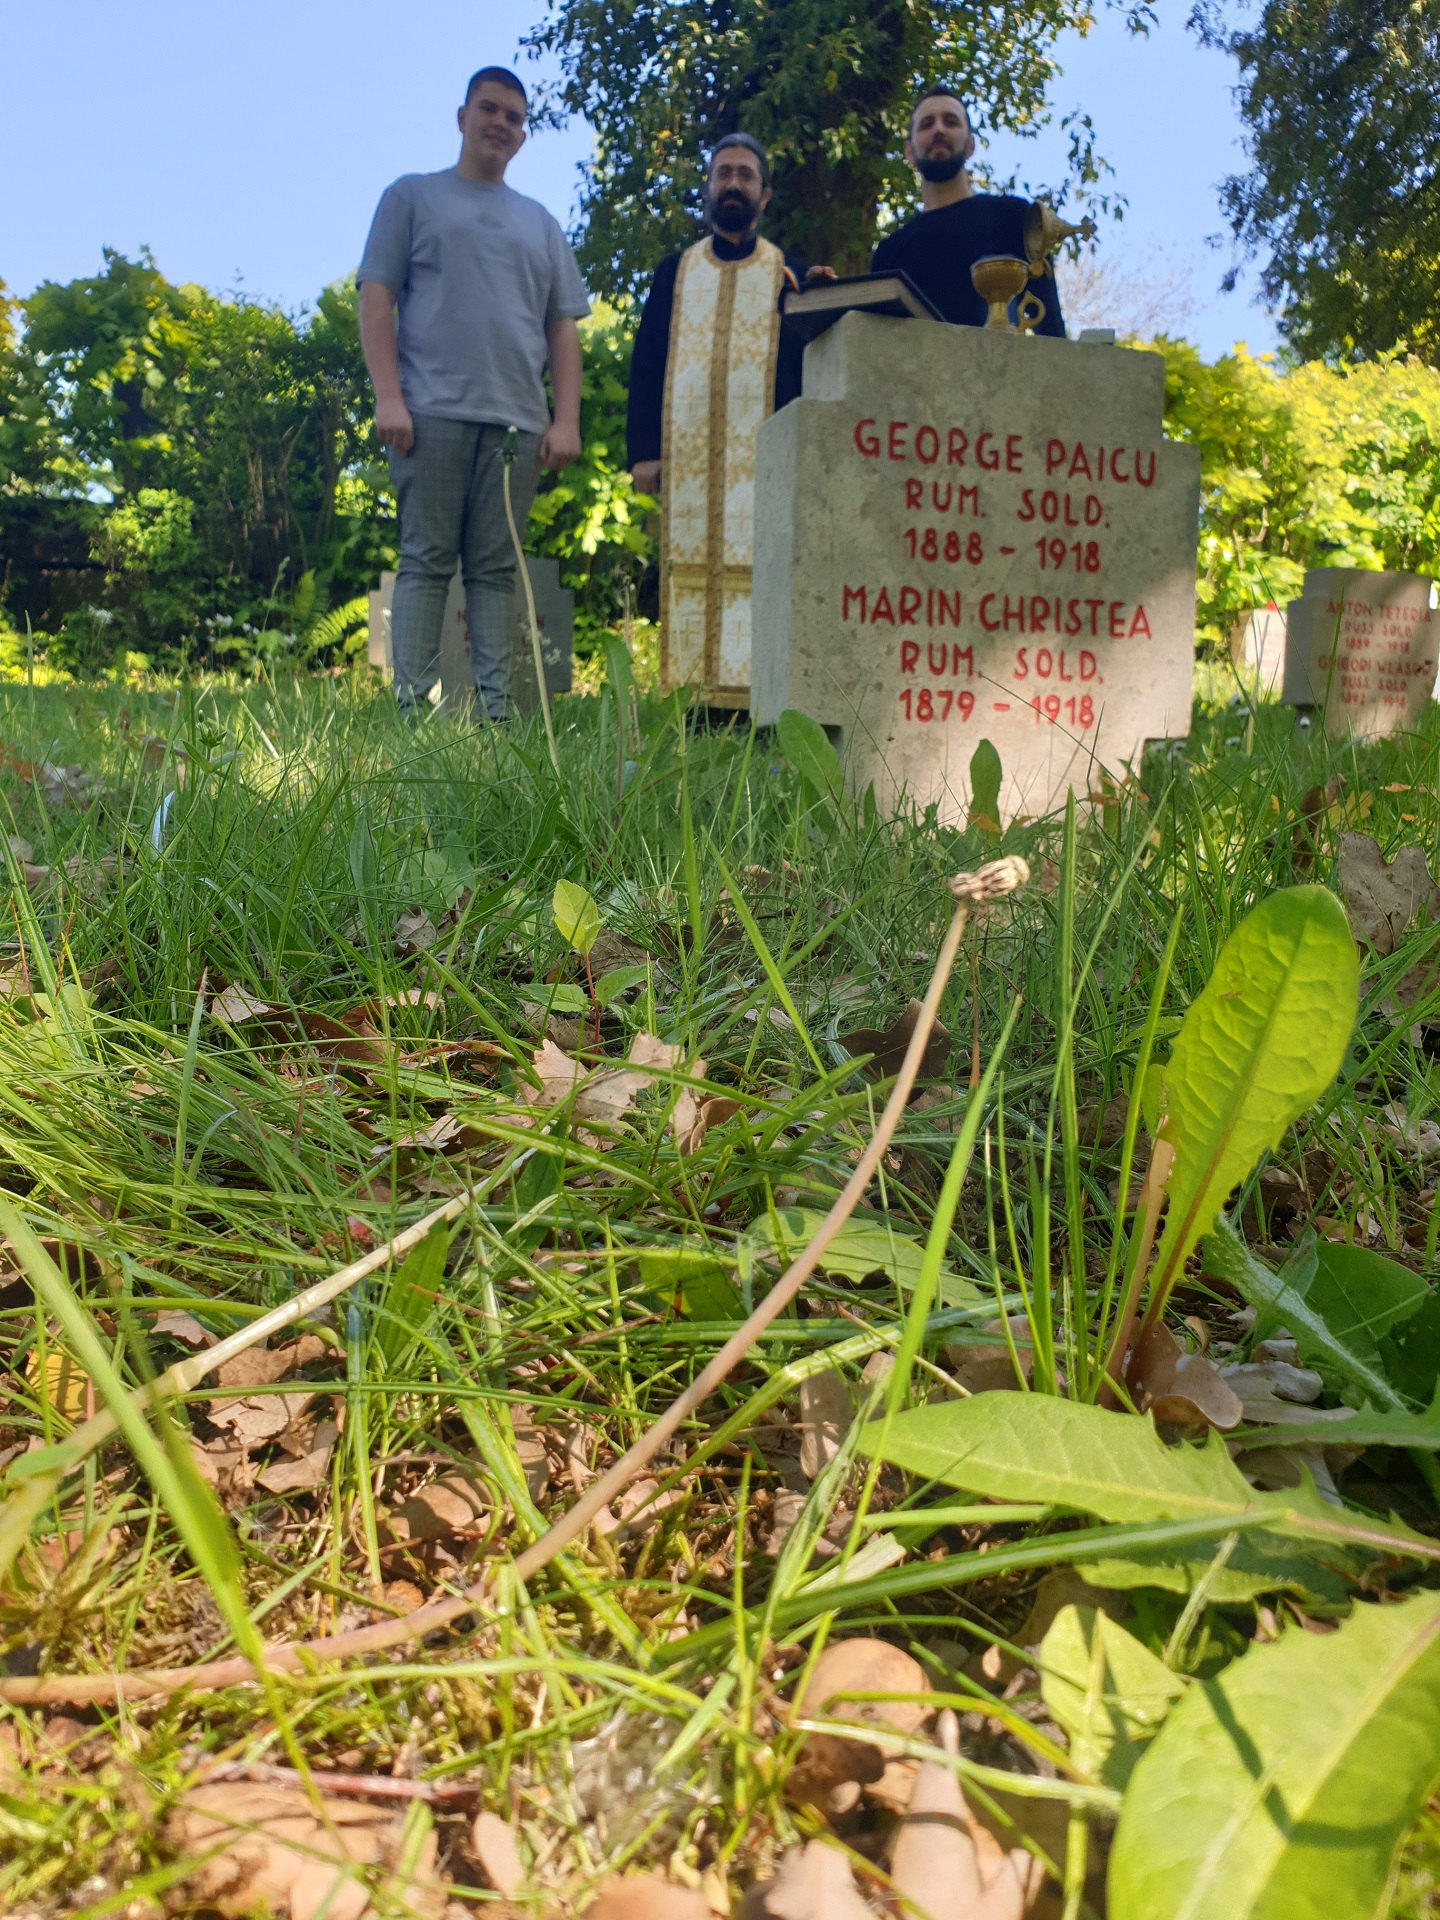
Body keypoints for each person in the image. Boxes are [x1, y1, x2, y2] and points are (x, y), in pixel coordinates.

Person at [357, 67, 590, 718]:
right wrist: (388, 396)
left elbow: (563, 329)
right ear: (461, 116)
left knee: (494, 571)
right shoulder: (411, 197)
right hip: (428, 413)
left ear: (522, 136)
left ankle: (497, 717)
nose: (501, 124)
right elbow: (376, 297)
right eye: (490, 109)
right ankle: (412, 710)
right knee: (426, 560)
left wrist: (563, 418)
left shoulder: (541, 224)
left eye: (515, 117)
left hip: (517, 423)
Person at [626, 134, 812, 714]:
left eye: (746, 176)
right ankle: (690, 705)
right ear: (708, 188)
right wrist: (643, 452)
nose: (733, 184)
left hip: (763, 458)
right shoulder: (675, 272)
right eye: (723, 174)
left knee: (763, 570)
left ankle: (759, 704)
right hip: (685, 459)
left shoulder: (789, 273)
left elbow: (804, 363)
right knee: (685, 570)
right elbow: (648, 359)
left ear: (765, 194)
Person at [870, 89, 1067, 338]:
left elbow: (1051, 330)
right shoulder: (889, 252)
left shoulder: (1015, 218)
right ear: (909, 151)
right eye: (926, 124)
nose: (938, 130)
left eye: (950, 122)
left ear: (970, 145)